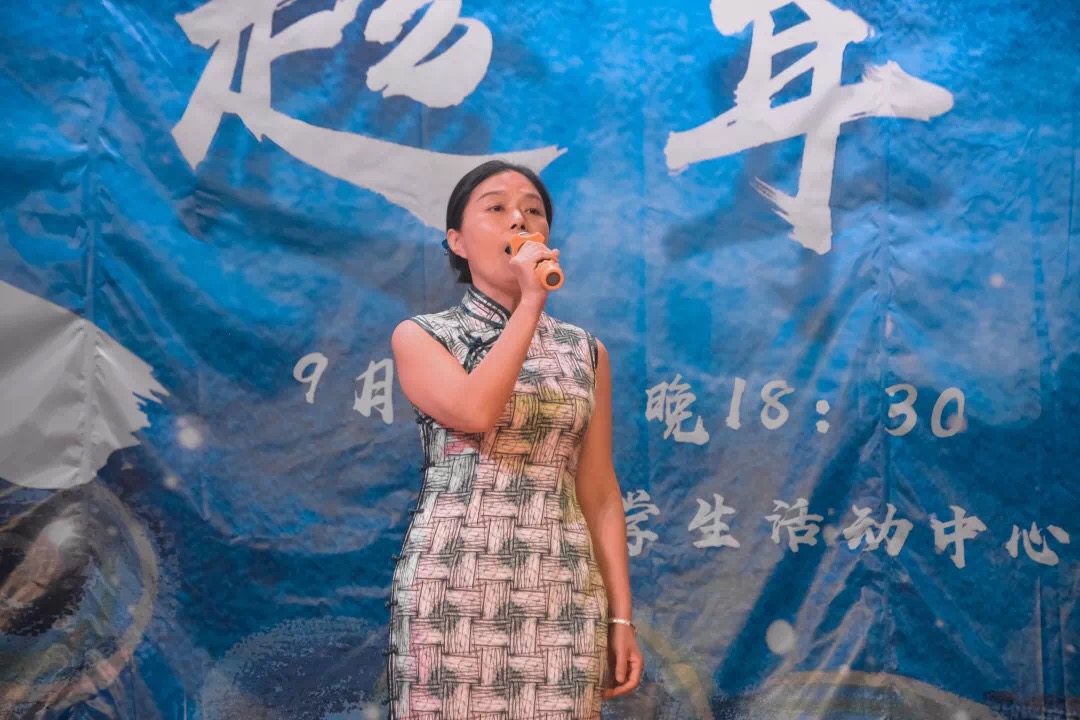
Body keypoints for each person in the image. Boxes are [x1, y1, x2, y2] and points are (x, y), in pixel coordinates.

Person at [385, 160, 642, 718]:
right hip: (454, 586)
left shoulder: (585, 351)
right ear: (457, 242)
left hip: (562, 588)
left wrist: (620, 616)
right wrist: (530, 304)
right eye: (497, 208)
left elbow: (600, 492)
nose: (519, 220)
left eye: (533, 210)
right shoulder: (424, 336)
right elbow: (476, 412)